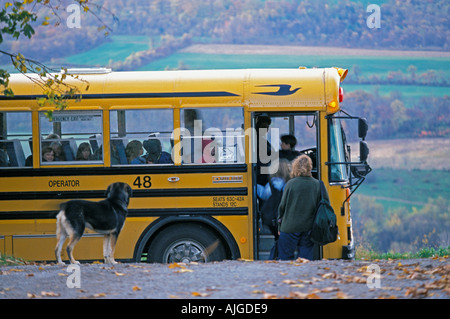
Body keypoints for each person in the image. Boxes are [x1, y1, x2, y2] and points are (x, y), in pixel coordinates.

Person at [277, 154, 329, 260]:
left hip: (289, 227)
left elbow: (282, 207)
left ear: (295, 167)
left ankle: (286, 276)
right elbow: (326, 205)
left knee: (285, 259)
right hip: (309, 228)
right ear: (310, 167)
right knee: (305, 259)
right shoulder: (318, 185)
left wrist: (279, 227)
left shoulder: (290, 184)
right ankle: (303, 275)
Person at [257, 158, 291, 259]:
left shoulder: (270, 185)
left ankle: (275, 256)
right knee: (282, 238)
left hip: (270, 218)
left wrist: (254, 187)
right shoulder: (288, 185)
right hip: (284, 217)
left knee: (277, 238)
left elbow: (264, 195)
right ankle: (280, 255)